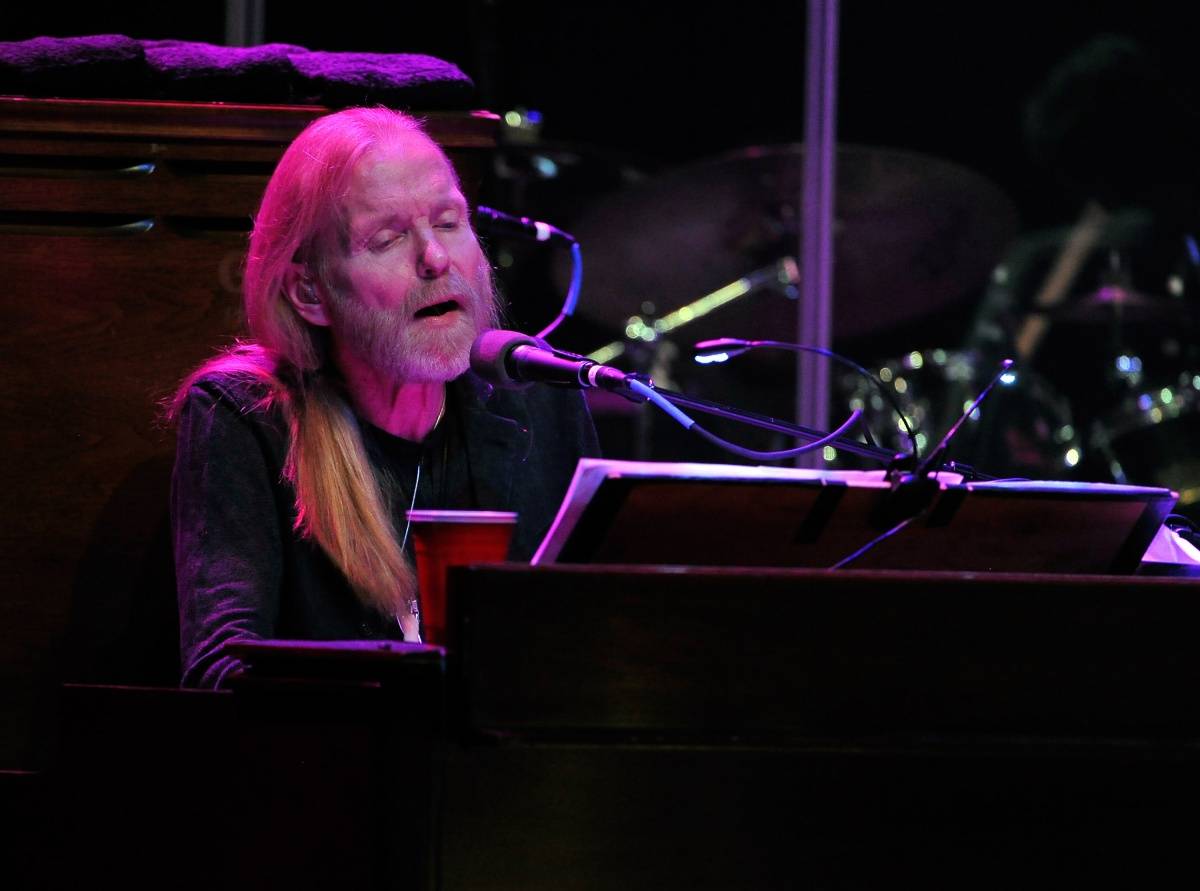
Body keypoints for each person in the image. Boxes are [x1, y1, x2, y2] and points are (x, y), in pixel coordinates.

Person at [169, 107, 599, 688]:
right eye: (388, 239)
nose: (436, 258)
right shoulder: (246, 418)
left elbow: (598, 637)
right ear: (309, 291)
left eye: (449, 222)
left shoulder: (539, 398)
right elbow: (221, 674)